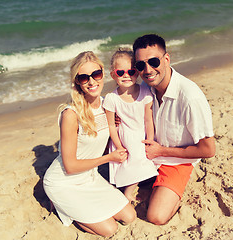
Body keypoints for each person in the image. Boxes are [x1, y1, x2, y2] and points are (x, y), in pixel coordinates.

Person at [43, 51, 136, 237]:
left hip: (89, 178)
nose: (92, 81)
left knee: (130, 216)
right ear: (77, 81)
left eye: (96, 74)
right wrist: (109, 158)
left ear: (103, 74)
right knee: (110, 229)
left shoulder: (107, 104)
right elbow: (69, 166)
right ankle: (61, 205)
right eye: (84, 77)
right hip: (64, 182)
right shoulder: (71, 114)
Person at [133, 34, 216, 225]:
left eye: (153, 61)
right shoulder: (146, 89)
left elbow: (208, 150)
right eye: (140, 65)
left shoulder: (189, 96)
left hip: (178, 161)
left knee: (156, 217)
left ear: (167, 59)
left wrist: (161, 151)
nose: (148, 70)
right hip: (150, 157)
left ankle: (176, 190)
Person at [103, 48, 158, 201]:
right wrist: (118, 146)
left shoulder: (145, 92)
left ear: (137, 72)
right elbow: (111, 126)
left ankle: (141, 183)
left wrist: (150, 139)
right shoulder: (111, 99)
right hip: (124, 138)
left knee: (143, 162)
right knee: (132, 163)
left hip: (141, 136)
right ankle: (128, 192)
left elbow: (148, 120)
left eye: (131, 71)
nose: (126, 75)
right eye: (121, 72)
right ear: (113, 74)